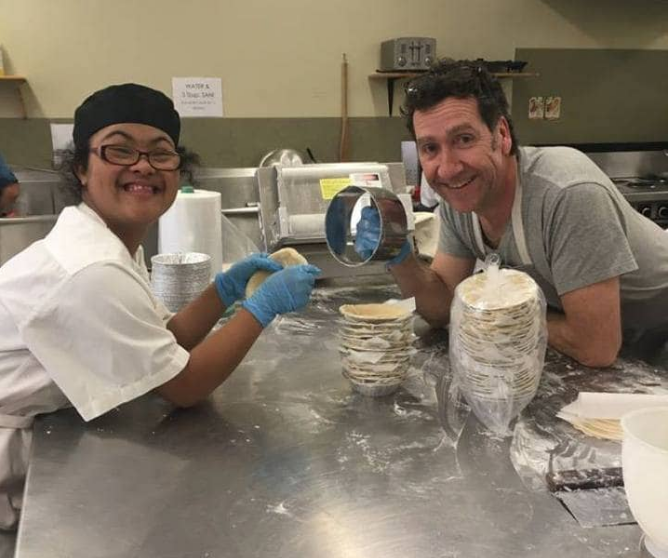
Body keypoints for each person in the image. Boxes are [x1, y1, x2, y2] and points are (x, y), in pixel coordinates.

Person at [0, 83, 321, 532]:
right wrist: (262, 308)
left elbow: (162, 338)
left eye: (160, 152)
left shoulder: (109, 243)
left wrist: (224, 291)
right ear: (80, 167)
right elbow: (183, 387)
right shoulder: (88, 268)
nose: (143, 166)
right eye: (119, 150)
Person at [356, 60, 668, 368]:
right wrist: (399, 253)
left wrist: (497, 312)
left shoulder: (566, 194)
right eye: (430, 148)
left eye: (464, 139)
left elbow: (596, 346)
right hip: (612, 343)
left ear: (502, 134)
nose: (448, 168)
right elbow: (441, 308)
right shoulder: (463, 197)